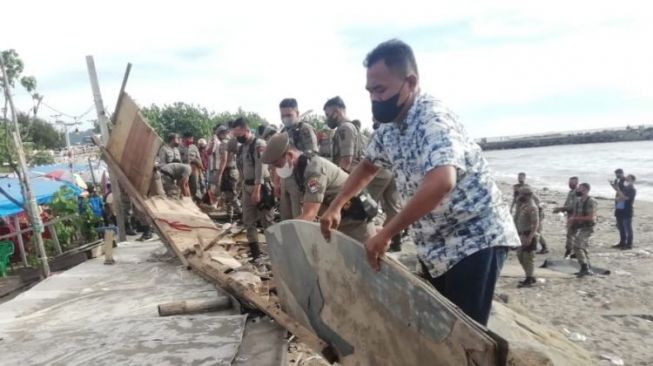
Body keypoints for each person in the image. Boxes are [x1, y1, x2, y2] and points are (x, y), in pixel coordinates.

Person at [319, 39, 519, 325]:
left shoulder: (432, 119)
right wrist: (338, 204)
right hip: (435, 242)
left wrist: (386, 233)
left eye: (381, 89)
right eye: (370, 91)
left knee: (464, 332)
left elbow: (441, 183)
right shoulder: (390, 126)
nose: (375, 99)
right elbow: (367, 166)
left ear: (410, 82)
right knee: (439, 325)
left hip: (474, 236)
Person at [262, 133, 376, 243]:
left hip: (356, 220)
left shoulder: (314, 169)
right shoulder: (299, 170)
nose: (277, 169)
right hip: (338, 221)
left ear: (290, 155)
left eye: (277, 165)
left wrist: (286, 236)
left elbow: (309, 215)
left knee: (366, 258)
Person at [231, 117, 274, 261]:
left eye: (239, 135)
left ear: (246, 130)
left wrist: (257, 190)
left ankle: (274, 253)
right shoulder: (242, 148)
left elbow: (261, 168)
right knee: (248, 221)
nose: (238, 138)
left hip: (260, 187)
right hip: (246, 186)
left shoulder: (259, 144)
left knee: (267, 221)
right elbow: (242, 169)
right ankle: (256, 255)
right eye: (235, 136)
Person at [366, 120, 404, 252]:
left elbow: (370, 160)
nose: (373, 120)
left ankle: (370, 238)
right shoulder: (397, 131)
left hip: (379, 171)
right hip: (393, 171)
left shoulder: (380, 133)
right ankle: (395, 239)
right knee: (394, 206)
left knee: (366, 204)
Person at [277, 98, 318, 220]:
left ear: (297, 113)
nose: (285, 118)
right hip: (285, 178)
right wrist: (277, 181)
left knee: (299, 216)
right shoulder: (283, 131)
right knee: (286, 216)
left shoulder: (304, 129)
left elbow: (313, 154)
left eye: (289, 115)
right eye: (282, 115)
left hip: (300, 178)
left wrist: (297, 155)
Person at [324, 96, 365, 173]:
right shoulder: (352, 126)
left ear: (336, 112)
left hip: (349, 176)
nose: (327, 118)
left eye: (327, 114)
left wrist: (338, 182)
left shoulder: (344, 128)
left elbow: (346, 162)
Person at [510, 172, 548, 254]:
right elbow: (514, 198)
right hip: (519, 210)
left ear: (524, 178)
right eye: (518, 177)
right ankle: (519, 243)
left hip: (528, 211)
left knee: (535, 230)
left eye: (521, 177)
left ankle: (544, 246)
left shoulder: (527, 188)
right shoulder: (516, 187)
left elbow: (537, 200)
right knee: (517, 227)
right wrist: (511, 208)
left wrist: (537, 210)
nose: (520, 179)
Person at [569, 183, 597, 277]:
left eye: (580, 189)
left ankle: (585, 267)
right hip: (580, 227)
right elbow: (576, 214)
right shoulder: (579, 201)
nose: (577, 190)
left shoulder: (591, 201)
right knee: (583, 248)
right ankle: (588, 267)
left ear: (585, 190)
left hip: (588, 227)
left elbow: (590, 217)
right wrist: (573, 222)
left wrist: (575, 219)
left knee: (577, 246)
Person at [514, 186, 539, 287]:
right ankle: (530, 276)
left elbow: (535, 224)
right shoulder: (524, 204)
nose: (519, 196)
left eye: (521, 194)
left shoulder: (532, 207)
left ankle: (529, 279)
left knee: (528, 258)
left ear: (528, 195)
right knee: (520, 256)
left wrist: (530, 237)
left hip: (529, 234)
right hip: (522, 234)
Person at [216, 125, 240, 222]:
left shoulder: (224, 143)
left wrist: (219, 174)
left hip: (229, 171)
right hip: (234, 170)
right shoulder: (233, 141)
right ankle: (229, 216)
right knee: (228, 195)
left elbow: (224, 160)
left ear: (220, 134)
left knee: (231, 196)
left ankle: (241, 213)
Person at [553, 176, 579, 257]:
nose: (570, 184)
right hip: (570, 216)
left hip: (575, 216)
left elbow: (573, 206)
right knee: (572, 234)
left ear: (576, 183)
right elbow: (567, 203)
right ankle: (573, 251)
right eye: (569, 182)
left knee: (571, 234)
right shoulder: (571, 192)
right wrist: (562, 210)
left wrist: (561, 208)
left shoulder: (577, 193)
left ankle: (569, 251)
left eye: (572, 182)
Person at [613, 174, 637, 250]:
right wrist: (615, 187)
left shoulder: (632, 189)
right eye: (627, 178)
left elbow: (625, 198)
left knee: (628, 228)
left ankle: (629, 244)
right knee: (621, 227)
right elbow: (618, 196)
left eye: (629, 178)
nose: (626, 179)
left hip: (627, 211)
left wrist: (618, 191)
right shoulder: (624, 188)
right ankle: (622, 242)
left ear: (632, 180)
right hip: (619, 209)